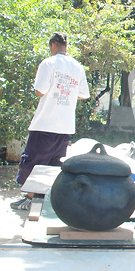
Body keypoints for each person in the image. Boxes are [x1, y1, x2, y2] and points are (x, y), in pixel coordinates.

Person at [11, 32, 90, 210]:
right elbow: (84, 94)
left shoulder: (49, 62)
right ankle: (48, 200)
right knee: (54, 164)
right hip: (65, 126)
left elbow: (40, 91)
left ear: (53, 44)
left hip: (46, 123)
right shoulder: (77, 67)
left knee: (33, 161)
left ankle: (30, 199)